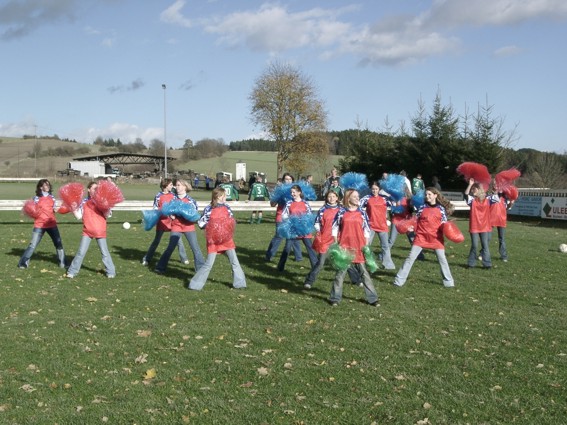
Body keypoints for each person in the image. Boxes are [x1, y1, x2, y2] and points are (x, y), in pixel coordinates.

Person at [393, 187, 455, 287]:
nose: (427, 196)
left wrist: (449, 230)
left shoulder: (441, 209)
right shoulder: (422, 208)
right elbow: (415, 220)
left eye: (429, 194)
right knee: (410, 258)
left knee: (442, 259)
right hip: (421, 237)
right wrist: (410, 227)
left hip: (436, 238)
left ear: (435, 195)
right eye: (426, 194)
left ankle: (449, 282)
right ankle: (398, 281)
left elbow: (444, 222)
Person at [188, 187, 246, 290]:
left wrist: (229, 226)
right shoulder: (209, 208)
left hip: (226, 240)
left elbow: (231, 220)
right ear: (218, 196)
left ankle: (240, 284)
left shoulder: (227, 207)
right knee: (209, 264)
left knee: (234, 261)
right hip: (213, 241)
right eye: (224, 196)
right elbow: (201, 223)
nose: (225, 198)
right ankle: (195, 285)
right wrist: (212, 227)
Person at [329, 189, 379, 307]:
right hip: (345, 249)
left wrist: (365, 245)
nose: (358, 198)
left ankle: (373, 299)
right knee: (340, 275)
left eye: (358, 196)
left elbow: (366, 230)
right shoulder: (341, 212)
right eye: (355, 196)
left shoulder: (362, 213)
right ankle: (335, 298)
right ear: (348, 198)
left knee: (364, 274)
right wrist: (338, 245)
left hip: (359, 247)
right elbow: (334, 229)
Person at [304, 190, 361, 289]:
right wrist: (319, 231)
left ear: (337, 198)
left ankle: (356, 280)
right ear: (326, 198)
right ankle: (309, 281)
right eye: (329, 196)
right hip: (325, 240)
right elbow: (317, 223)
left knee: (345, 261)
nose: (331, 198)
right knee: (321, 262)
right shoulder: (322, 210)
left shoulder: (342, 210)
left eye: (333, 196)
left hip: (339, 240)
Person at [66, 181, 116, 278]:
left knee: (104, 252)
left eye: (97, 189)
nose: (96, 190)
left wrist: (106, 206)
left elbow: (108, 215)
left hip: (99, 230)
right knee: (81, 252)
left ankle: (111, 272)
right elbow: (79, 216)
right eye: (94, 188)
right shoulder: (84, 202)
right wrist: (73, 208)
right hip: (87, 231)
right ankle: (72, 272)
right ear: (88, 189)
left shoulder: (101, 201)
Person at [155, 179, 205, 274]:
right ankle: (160, 267)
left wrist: (187, 215)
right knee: (170, 247)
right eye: (176, 185)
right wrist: (171, 215)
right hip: (176, 226)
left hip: (188, 226)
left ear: (185, 187)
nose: (176, 187)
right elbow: (169, 211)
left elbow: (195, 215)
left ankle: (201, 269)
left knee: (195, 247)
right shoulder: (173, 200)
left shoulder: (191, 201)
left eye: (179, 185)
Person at [18, 179, 66, 269]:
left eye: (48, 185)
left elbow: (55, 209)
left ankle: (63, 263)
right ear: (41, 187)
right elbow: (31, 211)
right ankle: (23, 263)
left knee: (58, 244)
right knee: (33, 244)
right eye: (45, 185)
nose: (47, 186)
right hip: (39, 225)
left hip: (52, 224)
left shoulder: (52, 198)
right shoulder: (36, 198)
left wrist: (60, 208)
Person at [141, 178, 189, 267]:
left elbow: (176, 206)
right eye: (171, 185)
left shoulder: (174, 195)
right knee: (156, 241)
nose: (173, 186)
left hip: (172, 221)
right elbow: (155, 208)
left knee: (178, 240)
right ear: (166, 186)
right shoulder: (158, 196)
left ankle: (184, 258)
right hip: (162, 222)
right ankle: (147, 258)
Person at [277, 184, 318, 272]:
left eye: (294, 192)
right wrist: (290, 221)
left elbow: (309, 215)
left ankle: (315, 267)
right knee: (287, 248)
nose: (292, 194)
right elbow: (284, 215)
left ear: (299, 192)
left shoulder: (305, 203)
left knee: (310, 248)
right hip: (292, 230)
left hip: (304, 229)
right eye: (291, 192)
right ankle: (280, 267)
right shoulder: (289, 203)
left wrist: (305, 224)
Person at [265, 173, 303, 262]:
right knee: (279, 236)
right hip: (281, 216)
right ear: (283, 180)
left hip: (293, 217)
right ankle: (269, 255)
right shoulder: (279, 190)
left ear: (293, 181)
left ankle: (299, 257)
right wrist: (278, 197)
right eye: (286, 179)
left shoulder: (296, 191)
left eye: (290, 179)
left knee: (294, 236)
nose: (288, 181)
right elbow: (272, 204)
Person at [359, 182, 395, 270]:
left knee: (385, 246)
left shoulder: (384, 198)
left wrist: (395, 194)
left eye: (376, 189)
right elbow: (358, 205)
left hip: (382, 225)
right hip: (370, 226)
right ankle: (364, 262)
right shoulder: (367, 198)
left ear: (379, 189)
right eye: (373, 189)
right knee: (366, 245)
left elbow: (394, 203)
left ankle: (388, 265)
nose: (374, 191)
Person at [465, 178, 498, 269]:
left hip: (485, 226)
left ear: (479, 190)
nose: (472, 190)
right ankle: (471, 263)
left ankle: (487, 264)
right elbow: (466, 194)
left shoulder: (488, 199)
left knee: (485, 246)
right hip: (474, 226)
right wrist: (470, 184)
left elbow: (495, 197)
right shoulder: (472, 200)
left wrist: (495, 190)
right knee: (474, 245)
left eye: (474, 189)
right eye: (472, 189)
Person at [489, 183, 513, 262]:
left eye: (497, 185)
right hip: (491, 219)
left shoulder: (504, 198)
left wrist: (510, 204)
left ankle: (504, 256)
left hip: (501, 220)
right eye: (495, 185)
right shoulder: (489, 196)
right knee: (487, 238)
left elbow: (507, 208)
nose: (496, 187)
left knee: (502, 239)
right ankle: (483, 253)